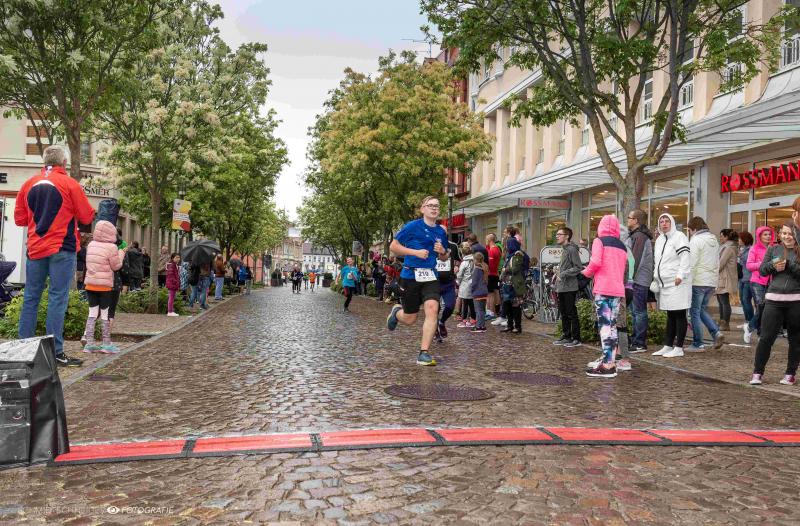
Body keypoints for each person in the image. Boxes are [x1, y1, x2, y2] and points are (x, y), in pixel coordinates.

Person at [15, 145, 95, 367]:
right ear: (64, 163)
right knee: (57, 298)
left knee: (31, 297)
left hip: (35, 248)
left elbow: (20, 219)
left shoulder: (28, 184)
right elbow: (86, 216)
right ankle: (55, 352)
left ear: (44, 162)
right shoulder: (70, 184)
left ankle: (23, 350)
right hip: (62, 247)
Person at [385, 196, 449, 366]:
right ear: (422, 209)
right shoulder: (412, 226)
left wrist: (443, 251)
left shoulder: (441, 231)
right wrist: (415, 253)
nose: (434, 208)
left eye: (437, 206)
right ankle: (396, 313)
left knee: (433, 309)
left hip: (431, 276)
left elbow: (444, 257)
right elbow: (393, 247)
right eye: (430, 205)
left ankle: (424, 353)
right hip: (411, 275)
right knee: (410, 319)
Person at [750, 223, 800, 386]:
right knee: (765, 338)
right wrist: (773, 265)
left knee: (795, 340)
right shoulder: (773, 249)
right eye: (784, 233)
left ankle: (790, 374)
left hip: (796, 301)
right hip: (773, 300)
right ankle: (757, 373)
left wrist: (789, 265)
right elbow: (762, 270)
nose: (786, 236)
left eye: (790, 233)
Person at [580, 215, 627, 378]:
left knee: (605, 326)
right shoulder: (622, 246)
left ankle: (607, 365)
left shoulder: (599, 241)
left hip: (604, 288)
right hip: (617, 290)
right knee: (611, 326)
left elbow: (595, 262)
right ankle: (610, 361)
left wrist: (585, 273)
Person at [651, 213, 692, 358]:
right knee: (670, 315)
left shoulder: (679, 236)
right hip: (665, 283)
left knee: (679, 314)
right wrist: (656, 277)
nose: (664, 223)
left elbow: (685, 257)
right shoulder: (660, 240)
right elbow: (658, 261)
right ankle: (668, 345)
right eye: (661, 221)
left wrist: (681, 275)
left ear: (672, 222)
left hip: (677, 282)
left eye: (666, 221)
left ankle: (679, 347)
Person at [82, 220, 126, 354]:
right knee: (105, 314)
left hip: (90, 284)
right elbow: (116, 266)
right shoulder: (112, 247)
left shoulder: (91, 245)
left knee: (92, 313)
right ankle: (106, 344)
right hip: (104, 286)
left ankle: (89, 344)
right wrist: (121, 254)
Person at [687, 217, 725, 352]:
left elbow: (692, 263)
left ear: (693, 229)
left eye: (689, 230)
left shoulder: (695, 240)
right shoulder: (714, 240)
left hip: (698, 281)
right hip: (710, 281)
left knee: (694, 312)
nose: (689, 233)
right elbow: (717, 262)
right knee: (701, 310)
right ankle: (716, 333)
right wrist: (715, 281)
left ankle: (698, 343)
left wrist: (687, 280)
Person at [625, 209, 654, 353]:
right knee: (636, 312)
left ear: (636, 220)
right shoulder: (638, 236)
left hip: (638, 280)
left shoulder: (640, 237)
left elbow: (634, 260)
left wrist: (628, 279)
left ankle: (639, 343)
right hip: (637, 279)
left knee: (639, 312)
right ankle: (636, 339)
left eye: (629, 217)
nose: (627, 220)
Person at [553, 227, 583, 348]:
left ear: (567, 236)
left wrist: (563, 273)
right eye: (556, 234)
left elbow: (578, 267)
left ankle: (576, 338)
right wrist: (557, 271)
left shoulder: (571, 249)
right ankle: (566, 335)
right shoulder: (564, 249)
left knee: (571, 313)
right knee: (564, 312)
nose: (557, 236)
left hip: (570, 287)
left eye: (559, 234)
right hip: (561, 286)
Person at [745, 226, 774, 343]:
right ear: (759, 236)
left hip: (770, 282)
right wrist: (763, 264)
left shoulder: (774, 248)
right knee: (761, 306)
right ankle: (754, 330)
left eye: (769, 234)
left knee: (766, 309)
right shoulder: (754, 248)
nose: (768, 236)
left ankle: (753, 329)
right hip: (757, 281)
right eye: (765, 234)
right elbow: (749, 266)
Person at [500, 234, 527, 334]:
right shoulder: (509, 255)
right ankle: (509, 325)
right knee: (507, 306)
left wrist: (505, 270)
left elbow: (515, 269)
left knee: (515, 306)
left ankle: (517, 326)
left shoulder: (517, 255)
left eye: (508, 245)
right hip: (507, 284)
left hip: (514, 285)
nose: (506, 247)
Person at [436, 234, 461, 338]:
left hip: (448, 282)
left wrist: (456, 266)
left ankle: (441, 322)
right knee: (434, 309)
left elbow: (458, 259)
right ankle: (435, 330)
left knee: (450, 306)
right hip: (434, 283)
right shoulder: (430, 245)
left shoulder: (453, 246)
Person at [716, 229, 739, 332]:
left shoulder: (728, 248)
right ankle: (722, 322)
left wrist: (712, 270)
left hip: (725, 278)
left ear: (726, 237)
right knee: (721, 301)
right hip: (722, 277)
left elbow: (721, 263)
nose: (720, 238)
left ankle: (725, 323)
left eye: (722, 236)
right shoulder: (727, 247)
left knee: (724, 302)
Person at [738, 231, 755, 342]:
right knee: (743, 301)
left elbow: (748, 264)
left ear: (745, 239)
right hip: (742, 278)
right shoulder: (742, 249)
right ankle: (747, 321)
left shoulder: (750, 250)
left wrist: (740, 256)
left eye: (740, 238)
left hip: (749, 278)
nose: (739, 240)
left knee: (746, 300)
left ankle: (751, 322)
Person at [456, 242, 475, 328]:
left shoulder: (464, 263)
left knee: (465, 303)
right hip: (473, 284)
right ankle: (473, 319)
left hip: (465, 285)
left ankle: (464, 320)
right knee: (472, 303)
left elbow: (460, 275)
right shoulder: (475, 260)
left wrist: (457, 282)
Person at [470, 252, 489, 333]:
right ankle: (483, 325)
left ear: (475, 260)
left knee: (478, 310)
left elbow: (474, 282)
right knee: (482, 310)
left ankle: (478, 326)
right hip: (484, 292)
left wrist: (471, 290)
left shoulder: (477, 269)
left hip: (477, 292)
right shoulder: (484, 268)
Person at [486, 233, 502, 319]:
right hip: (495, 273)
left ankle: (491, 312)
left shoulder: (492, 250)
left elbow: (490, 264)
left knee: (490, 294)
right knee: (496, 292)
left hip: (491, 274)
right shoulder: (497, 249)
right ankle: (496, 310)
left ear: (489, 240)